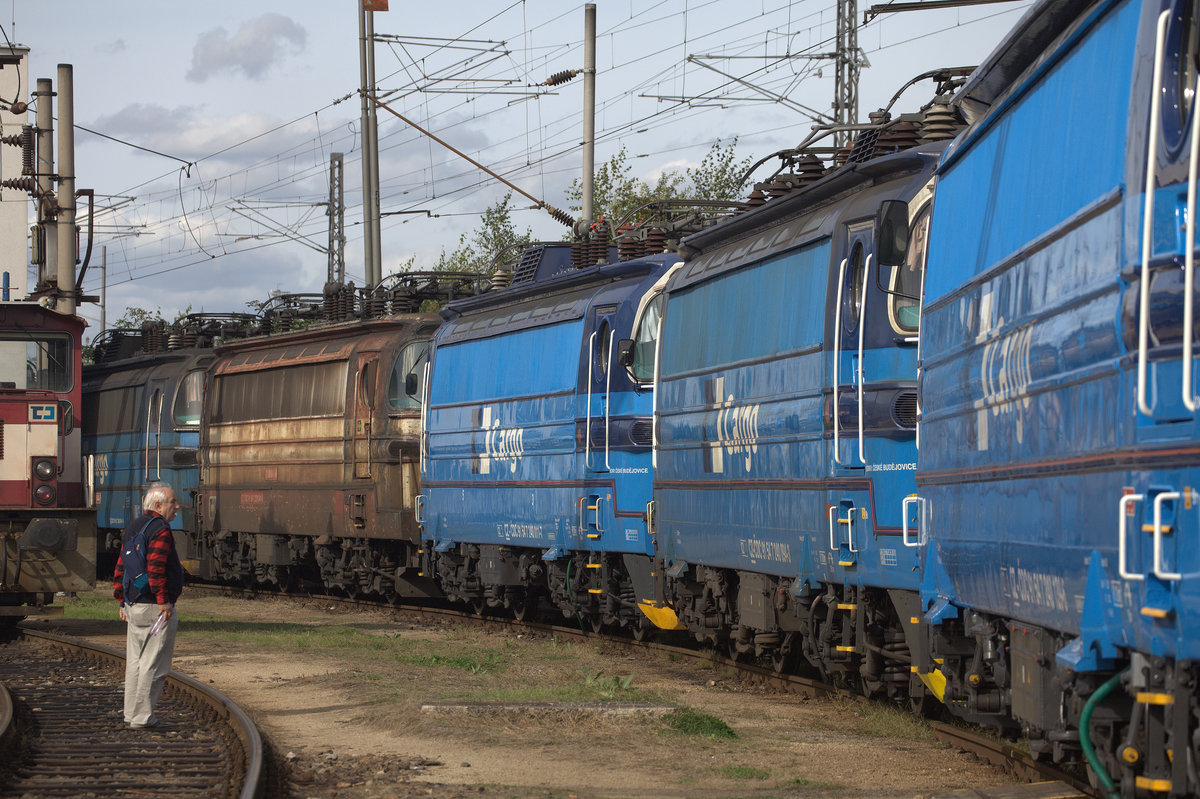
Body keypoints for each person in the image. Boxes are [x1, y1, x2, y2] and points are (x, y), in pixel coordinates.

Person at [112, 483, 184, 729]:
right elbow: (155, 568)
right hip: (155, 609)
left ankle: (130, 713)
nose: (177, 506)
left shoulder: (135, 525)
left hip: (134, 605)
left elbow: (122, 565)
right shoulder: (160, 529)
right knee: (155, 663)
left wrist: (121, 599)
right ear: (158, 505)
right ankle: (143, 717)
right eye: (173, 502)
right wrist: (163, 600)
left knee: (135, 663)